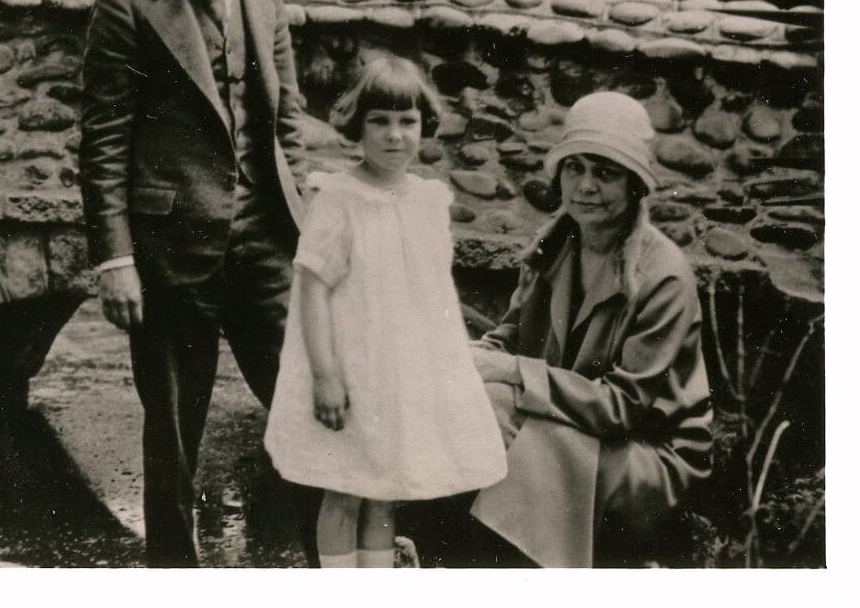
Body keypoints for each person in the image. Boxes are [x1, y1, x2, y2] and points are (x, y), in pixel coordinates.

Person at [78, 0, 312, 567]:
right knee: (174, 432)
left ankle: (328, 568)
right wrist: (115, 258)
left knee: (309, 409)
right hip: (170, 248)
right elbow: (103, 139)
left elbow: (288, 121)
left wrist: (303, 223)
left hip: (265, 243)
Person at [264, 55, 508, 568]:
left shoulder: (428, 201)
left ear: (424, 124)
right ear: (358, 125)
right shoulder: (339, 199)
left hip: (398, 377)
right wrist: (325, 375)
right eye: (379, 121)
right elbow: (312, 290)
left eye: (407, 121)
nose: (394, 135)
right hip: (352, 373)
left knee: (384, 489)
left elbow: (431, 294)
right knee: (344, 488)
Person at [468, 90, 713, 567]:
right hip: (572, 424)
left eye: (605, 173)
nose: (584, 186)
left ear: (635, 185)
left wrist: (510, 372)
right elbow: (509, 338)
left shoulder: (663, 276)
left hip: (644, 454)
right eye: (573, 168)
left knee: (496, 408)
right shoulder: (553, 246)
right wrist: (462, 361)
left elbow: (622, 408)